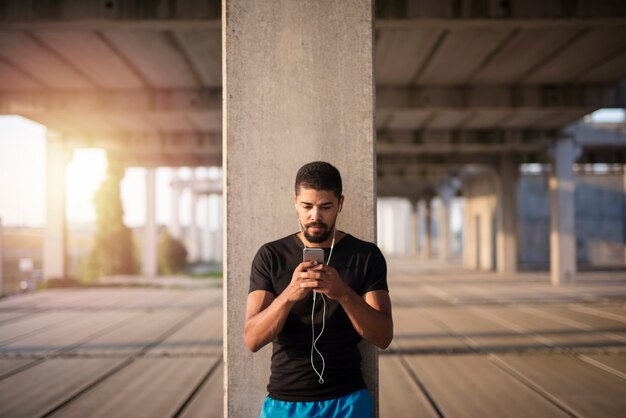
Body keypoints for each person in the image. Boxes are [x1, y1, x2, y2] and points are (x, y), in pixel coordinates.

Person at [244, 161, 393, 417]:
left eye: (325, 206)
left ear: (340, 204)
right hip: (285, 401)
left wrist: (343, 293)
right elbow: (252, 339)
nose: (315, 215)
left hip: (347, 401)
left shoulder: (366, 255)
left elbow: (383, 336)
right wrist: (289, 295)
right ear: (295, 203)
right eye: (307, 206)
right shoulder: (271, 256)